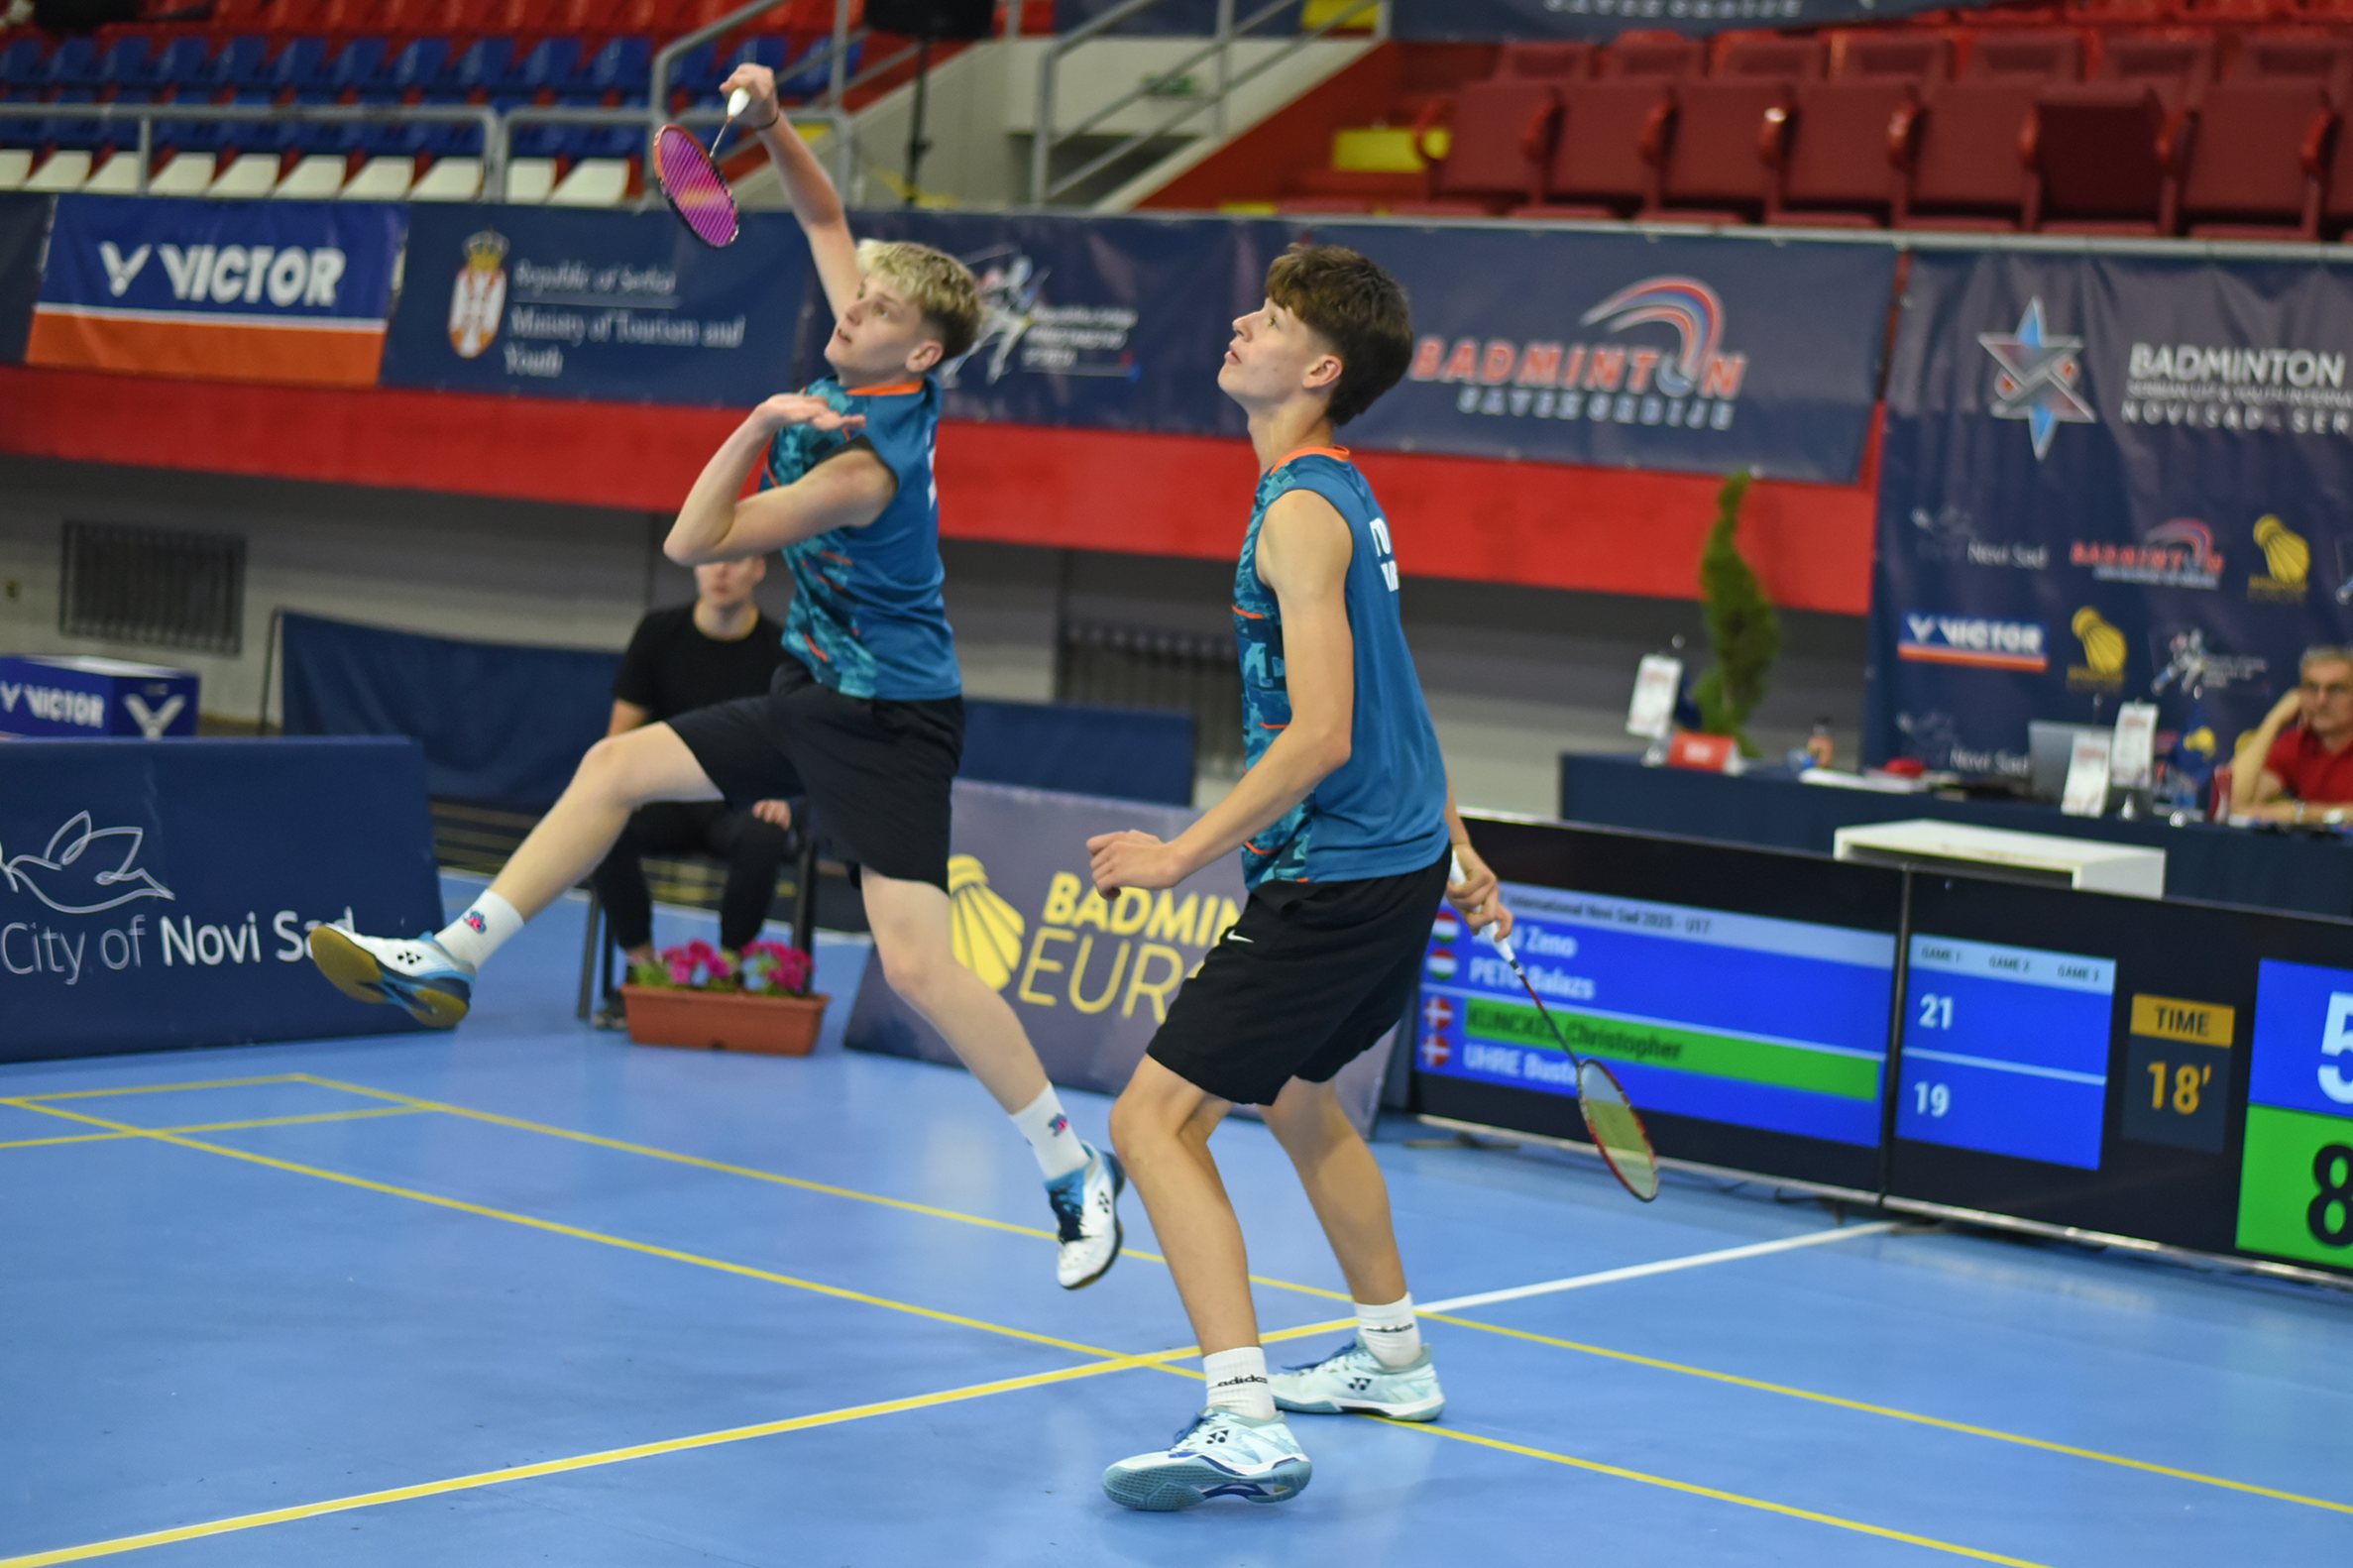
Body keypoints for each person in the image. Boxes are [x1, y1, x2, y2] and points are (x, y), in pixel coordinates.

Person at [303, 62, 1127, 1290]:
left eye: (877, 305)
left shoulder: (863, 469)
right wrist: (781, 126)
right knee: (613, 765)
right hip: (813, 687)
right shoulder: (875, 352)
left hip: (892, 722)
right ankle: (452, 957)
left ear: (920, 347)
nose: (852, 304)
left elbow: (696, 543)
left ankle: (1070, 1166)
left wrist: (752, 426)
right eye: (859, 296)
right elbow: (826, 217)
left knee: (917, 966)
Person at [1084, 245, 1513, 1510]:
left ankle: (1242, 1417)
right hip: (1397, 856)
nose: (1241, 323)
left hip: (1334, 875)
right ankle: (1393, 1359)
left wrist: (1179, 853)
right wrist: (1454, 836)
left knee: (1149, 1123)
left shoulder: (1301, 513)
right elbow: (1394, 688)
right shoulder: (1338, 494)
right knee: (1299, 1097)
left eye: (1269, 319)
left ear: (1320, 369)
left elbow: (1321, 733)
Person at [591, 556, 799, 1023]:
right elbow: (619, 738)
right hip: (665, 798)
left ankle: (728, 973)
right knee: (601, 825)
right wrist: (620, 791)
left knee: (766, 832)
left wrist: (780, 792)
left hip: (736, 803)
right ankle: (642, 968)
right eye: (710, 560)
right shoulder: (658, 633)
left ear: (757, 569)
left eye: (735, 560)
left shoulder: (781, 649)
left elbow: (795, 743)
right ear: (695, 566)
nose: (720, 571)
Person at [2229, 645, 2353, 826]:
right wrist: (2274, 720)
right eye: (2312, 688)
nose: (2321, 700)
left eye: (2336, 689)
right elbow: (2234, 800)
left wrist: (2300, 813)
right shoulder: (2298, 743)